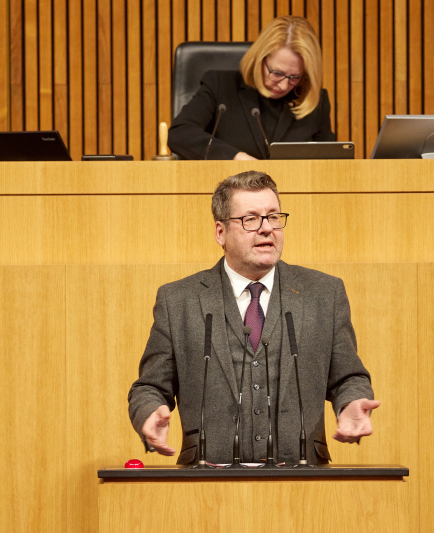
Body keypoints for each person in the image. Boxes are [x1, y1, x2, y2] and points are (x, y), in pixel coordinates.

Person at [128, 170, 379, 465]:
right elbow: (149, 386)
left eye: (273, 217)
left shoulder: (323, 293)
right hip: (205, 482)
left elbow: (348, 376)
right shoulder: (179, 300)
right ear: (220, 232)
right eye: (250, 219)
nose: (266, 229)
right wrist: (149, 412)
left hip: (304, 479)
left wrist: (351, 402)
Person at [168, 16, 335, 160]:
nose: (284, 85)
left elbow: (331, 161)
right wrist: (234, 156)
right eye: (277, 73)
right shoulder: (221, 86)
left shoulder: (313, 101)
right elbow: (180, 134)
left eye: (294, 77)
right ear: (259, 59)